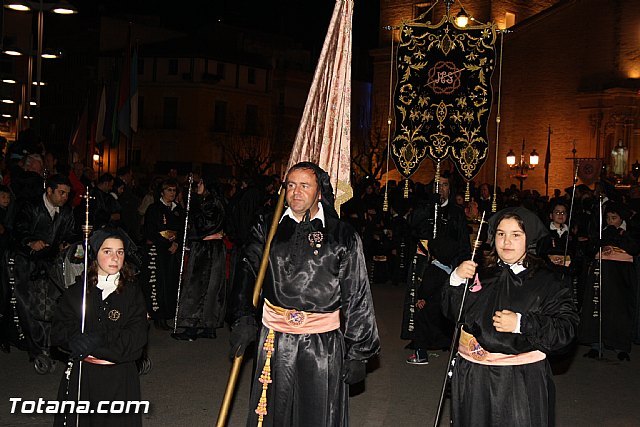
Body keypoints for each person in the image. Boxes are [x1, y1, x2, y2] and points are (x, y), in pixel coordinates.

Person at [228, 162, 380, 427]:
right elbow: (247, 270)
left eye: (304, 186)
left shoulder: (342, 235)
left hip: (321, 344)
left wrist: (359, 351)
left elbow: (356, 293)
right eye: (290, 185)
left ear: (319, 192)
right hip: (275, 339)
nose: (296, 192)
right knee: (274, 411)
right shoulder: (268, 227)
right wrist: (243, 316)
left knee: (316, 414)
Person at [444, 207, 578, 426]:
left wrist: (521, 324)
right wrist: (456, 280)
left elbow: (566, 329)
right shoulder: (481, 273)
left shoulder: (548, 282)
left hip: (519, 379)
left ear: (530, 238)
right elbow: (455, 313)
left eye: (516, 235)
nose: (506, 241)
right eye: (500, 234)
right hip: (473, 375)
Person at [51, 228, 148, 427]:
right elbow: (58, 331)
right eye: (107, 251)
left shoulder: (132, 293)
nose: (115, 258)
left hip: (119, 379)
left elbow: (135, 342)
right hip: (84, 376)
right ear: (95, 255)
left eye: (120, 252)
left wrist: (97, 340)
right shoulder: (78, 292)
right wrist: (73, 339)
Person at [403, 172, 470, 364]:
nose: (441, 189)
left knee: (444, 305)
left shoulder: (456, 212)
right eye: (437, 185)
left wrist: (460, 266)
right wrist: (430, 205)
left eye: (445, 185)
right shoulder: (425, 207)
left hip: (448, 267)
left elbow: (463, 242)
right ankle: (421, 343)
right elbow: (412, 225)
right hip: (424, 263)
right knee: (421, 304)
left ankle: (441, 342)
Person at [11, 174, 78, 360]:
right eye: (61, 193)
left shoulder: (66, 211)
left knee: (52, 304)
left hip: (51, 263)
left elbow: (71, 232)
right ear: (49, 191)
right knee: (28, 305)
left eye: (67, 194)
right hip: (27, 263)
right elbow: (19, 228)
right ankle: (36, 349)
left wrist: (66, 243)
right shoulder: (30, 206)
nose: (65, 197)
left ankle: (52, 344)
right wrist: (31, 242)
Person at [579, 202, 639, 361]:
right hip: (602, 272)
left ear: (622, 218)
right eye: (608, 218)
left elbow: (634, 248)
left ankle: (620, 346)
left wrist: (618, 236)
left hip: (622, 276)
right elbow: (591, 247)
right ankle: (596, 344)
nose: (610, 221)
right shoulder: (602, 231)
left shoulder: (629, 231)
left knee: (619, 311)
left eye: (614, 218)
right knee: (597, 307)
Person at [172, 175, 227, 341]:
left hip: (207, 251)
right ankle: (207, 326)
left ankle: (192, 328)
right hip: (208, 248)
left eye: (202, 182)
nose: (198, 185)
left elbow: (204, 225)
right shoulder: (211, 202)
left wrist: (192, 212)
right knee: (209, 286)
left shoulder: (211, 203)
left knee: (198, 286)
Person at [141, 178, 183, 330]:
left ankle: (168, 313)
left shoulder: (178, 209)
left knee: (170, 283)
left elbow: (182, 230)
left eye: (174, 190)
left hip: (172, 252)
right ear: (162, 191)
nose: (172, 193)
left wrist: (176, 243)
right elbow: (150, 231)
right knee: (157, 284)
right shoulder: (154, 209)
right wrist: (167, 243)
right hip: (157, 251)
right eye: (169, 190)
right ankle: (157, 316)